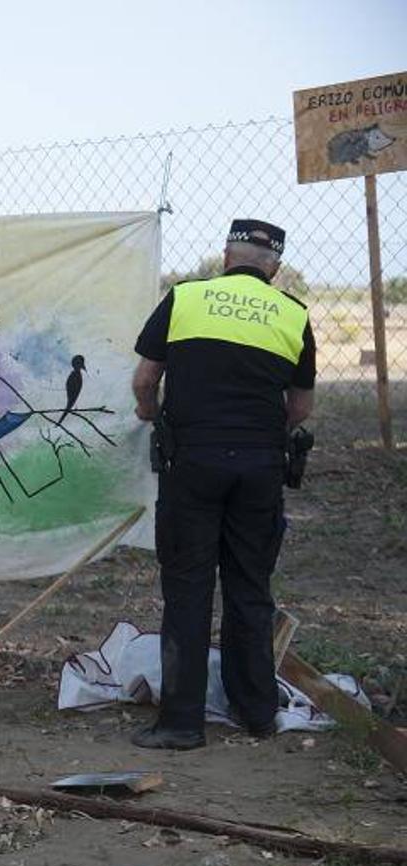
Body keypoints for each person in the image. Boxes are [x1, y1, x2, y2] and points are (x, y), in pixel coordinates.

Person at [130, 219, 316, 751]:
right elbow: (300, 407)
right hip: (259, 468)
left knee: (187, 587)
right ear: (273, 268)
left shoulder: (184, 299)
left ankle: (181, 724)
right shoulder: (294, 315)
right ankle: (257, 713)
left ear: (225, 256)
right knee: (249, 587)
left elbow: (145, 380)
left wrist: (150, 412)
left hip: (192, 462)